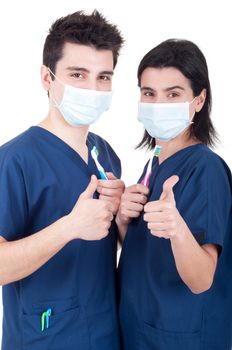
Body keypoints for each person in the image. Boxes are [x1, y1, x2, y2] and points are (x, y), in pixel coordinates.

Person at [0, 10, 125, 350]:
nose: (93, 88)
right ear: (47, 77)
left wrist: (120, 215)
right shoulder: (14, 160)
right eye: (78, 74)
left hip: (104, 333)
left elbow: (100, 246)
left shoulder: (106, 154)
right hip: (44, 337)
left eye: (103, 77)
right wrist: (69, 227)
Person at [117, 39, 232, 350]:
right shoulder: (153, 163)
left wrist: (178, 228)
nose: (158, 104)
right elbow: (147, 253)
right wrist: (123, 219)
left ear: (198, 99)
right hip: (139, 329)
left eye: (173, 94)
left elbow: (202, 279)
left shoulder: (206, 169)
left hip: (179, 337)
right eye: (148, 93)